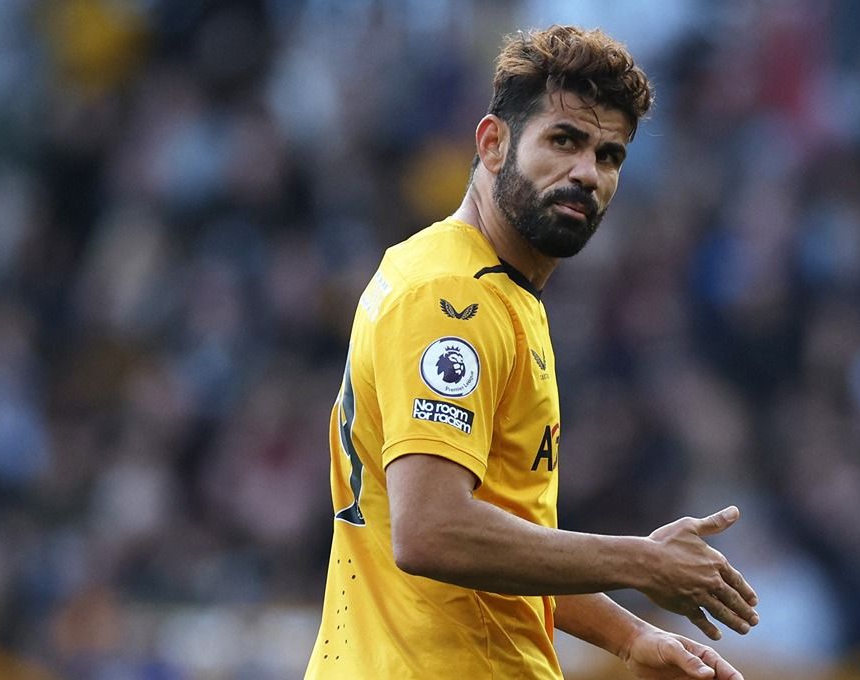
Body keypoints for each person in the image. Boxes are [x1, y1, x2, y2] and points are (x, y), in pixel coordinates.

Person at [305, 25, 757, 680]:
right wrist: (642, 562)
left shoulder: (486, 284)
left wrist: (628, 636)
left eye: (610, 156)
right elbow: (431, 530)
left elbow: (502, 542)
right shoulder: (452, 298)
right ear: (493, 144)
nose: (587, 173)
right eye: (564, 140)